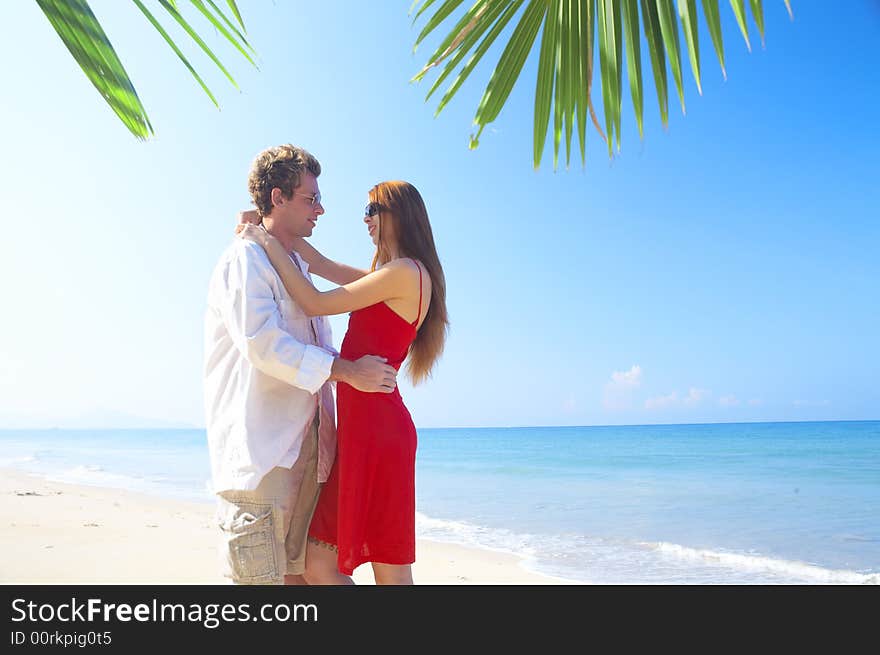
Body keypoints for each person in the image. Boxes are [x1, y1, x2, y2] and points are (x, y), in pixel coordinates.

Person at [204, 144, 398, 585]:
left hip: (308, 455)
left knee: (299, 582)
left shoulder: (291, 264)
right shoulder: (245, 259)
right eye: (310, 199)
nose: (321, 209)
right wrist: (348, 371)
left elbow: (349, 284)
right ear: (278, 198)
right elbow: (264, 344)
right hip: (262, 458)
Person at [237, 180, 448, 585]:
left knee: (382, 572)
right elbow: (322, 265)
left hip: (377, 432)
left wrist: (264, 242)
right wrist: (274, 233)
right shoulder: (392, 275)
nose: (365, 220)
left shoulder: (404, 273)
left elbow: (314, 301)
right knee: (327, 565)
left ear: (399, 215)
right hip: (365, 432)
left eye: (373, 210)